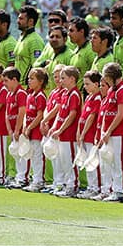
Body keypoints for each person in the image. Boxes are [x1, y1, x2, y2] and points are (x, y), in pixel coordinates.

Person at [97, 62, 123, 203]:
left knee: (119, 161)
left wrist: (109, 130)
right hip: (111, 133)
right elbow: (107, 113)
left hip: (121, 132)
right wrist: (104, 131)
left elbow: (121, 113)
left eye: (106, 76)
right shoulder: (112, 90)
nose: (104, 80)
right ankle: (113, 189)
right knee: (111, 161)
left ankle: (121, 191)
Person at [48, 66, 82, 197]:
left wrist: (61, 129)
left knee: (70, 160)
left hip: (70, 133)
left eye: (63, 78)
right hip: (62, 134)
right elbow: (61, 113)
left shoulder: (74, 94)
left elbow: (72, 115)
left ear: (72, 79)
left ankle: (73, 186)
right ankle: (68, 184)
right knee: (64, 160)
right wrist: (55, 127)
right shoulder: (65, 93)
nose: (60, 81)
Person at [77, 70, 104, 200]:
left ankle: (96, 187)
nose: (85, 87)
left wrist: (83, 133)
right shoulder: (89, 97)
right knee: (88, 161)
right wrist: (79, 132)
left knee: (93, 161)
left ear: (96, 84)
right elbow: (83, 116)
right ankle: (90, 186)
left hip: (91, 135)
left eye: (88, 84)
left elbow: (92, 117)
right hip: (85, 135)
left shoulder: (98, 98)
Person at [22, 67, 49, 192]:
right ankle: (35, 179)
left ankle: (39, 181)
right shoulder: (30, 95)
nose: (29, 81)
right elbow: (27, 114)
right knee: (32, 156)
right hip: (30, 131)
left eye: (32, 79)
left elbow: (40, 115)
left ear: (41, 81)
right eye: (28, 78)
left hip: (37, 132)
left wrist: (30, 127)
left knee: (38, 156)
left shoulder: (41, 96)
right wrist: (24, 127)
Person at [2, 66, 29, 189]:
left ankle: (23, 178)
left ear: (14, 80)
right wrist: (10, 129)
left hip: (21, 130)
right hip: (13, 130)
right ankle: (19, 176)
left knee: (23, 153)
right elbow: (7, 113)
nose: (4, 84)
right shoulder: (9, 94)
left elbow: (22, 112)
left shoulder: (21, 93)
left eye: (6, 81)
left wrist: (18, 129)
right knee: (16, 154)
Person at [13, 6, 45, 79]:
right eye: (18, 18)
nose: (18, 21)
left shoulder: (35, 41)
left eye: (21, 19)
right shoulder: (21, 37)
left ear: (30, 21)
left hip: (27, 87)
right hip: (18, 86)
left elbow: (36, 68)